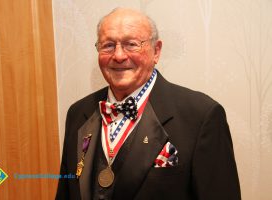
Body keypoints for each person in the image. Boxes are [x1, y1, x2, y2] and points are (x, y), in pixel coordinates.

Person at [56, 8, 241, 200]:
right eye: (108, 45)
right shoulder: (78, 113)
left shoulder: (201, 116)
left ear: (156, 51)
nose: (118, 55)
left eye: (131, 44)